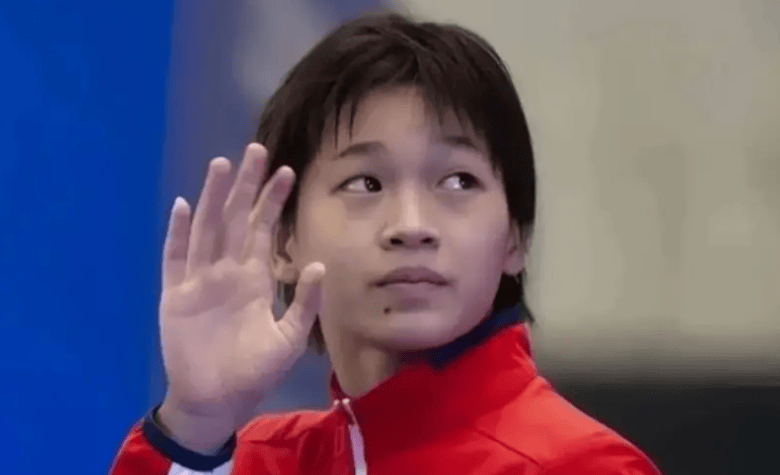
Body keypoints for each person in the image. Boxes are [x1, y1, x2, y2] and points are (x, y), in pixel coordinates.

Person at [110, 11, 662, 475]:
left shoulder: (580, 466)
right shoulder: (253, 461)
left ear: (516, 238)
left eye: (458, 182)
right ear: (283, 241)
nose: (411, 225)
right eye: (366, 184)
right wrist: (195, 424)